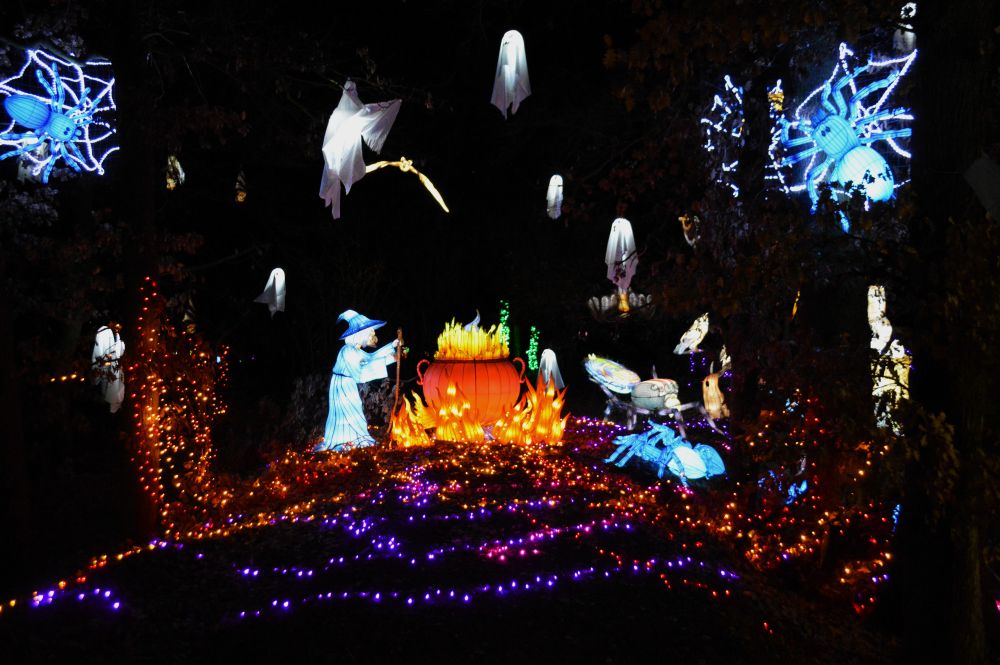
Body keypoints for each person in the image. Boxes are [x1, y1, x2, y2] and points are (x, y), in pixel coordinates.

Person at [315, 309, 399, 451]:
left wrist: (392, 346)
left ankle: (355, 438)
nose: (373, 335)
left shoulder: (354, 350)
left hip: (348, 384)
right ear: (361, 334)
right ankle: (345, 442)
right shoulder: (348, 351)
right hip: (342, 387)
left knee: (354, 411)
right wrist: (390, 358)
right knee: (347, 413)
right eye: (370, 332)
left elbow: (371, 357)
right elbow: (360, 373)